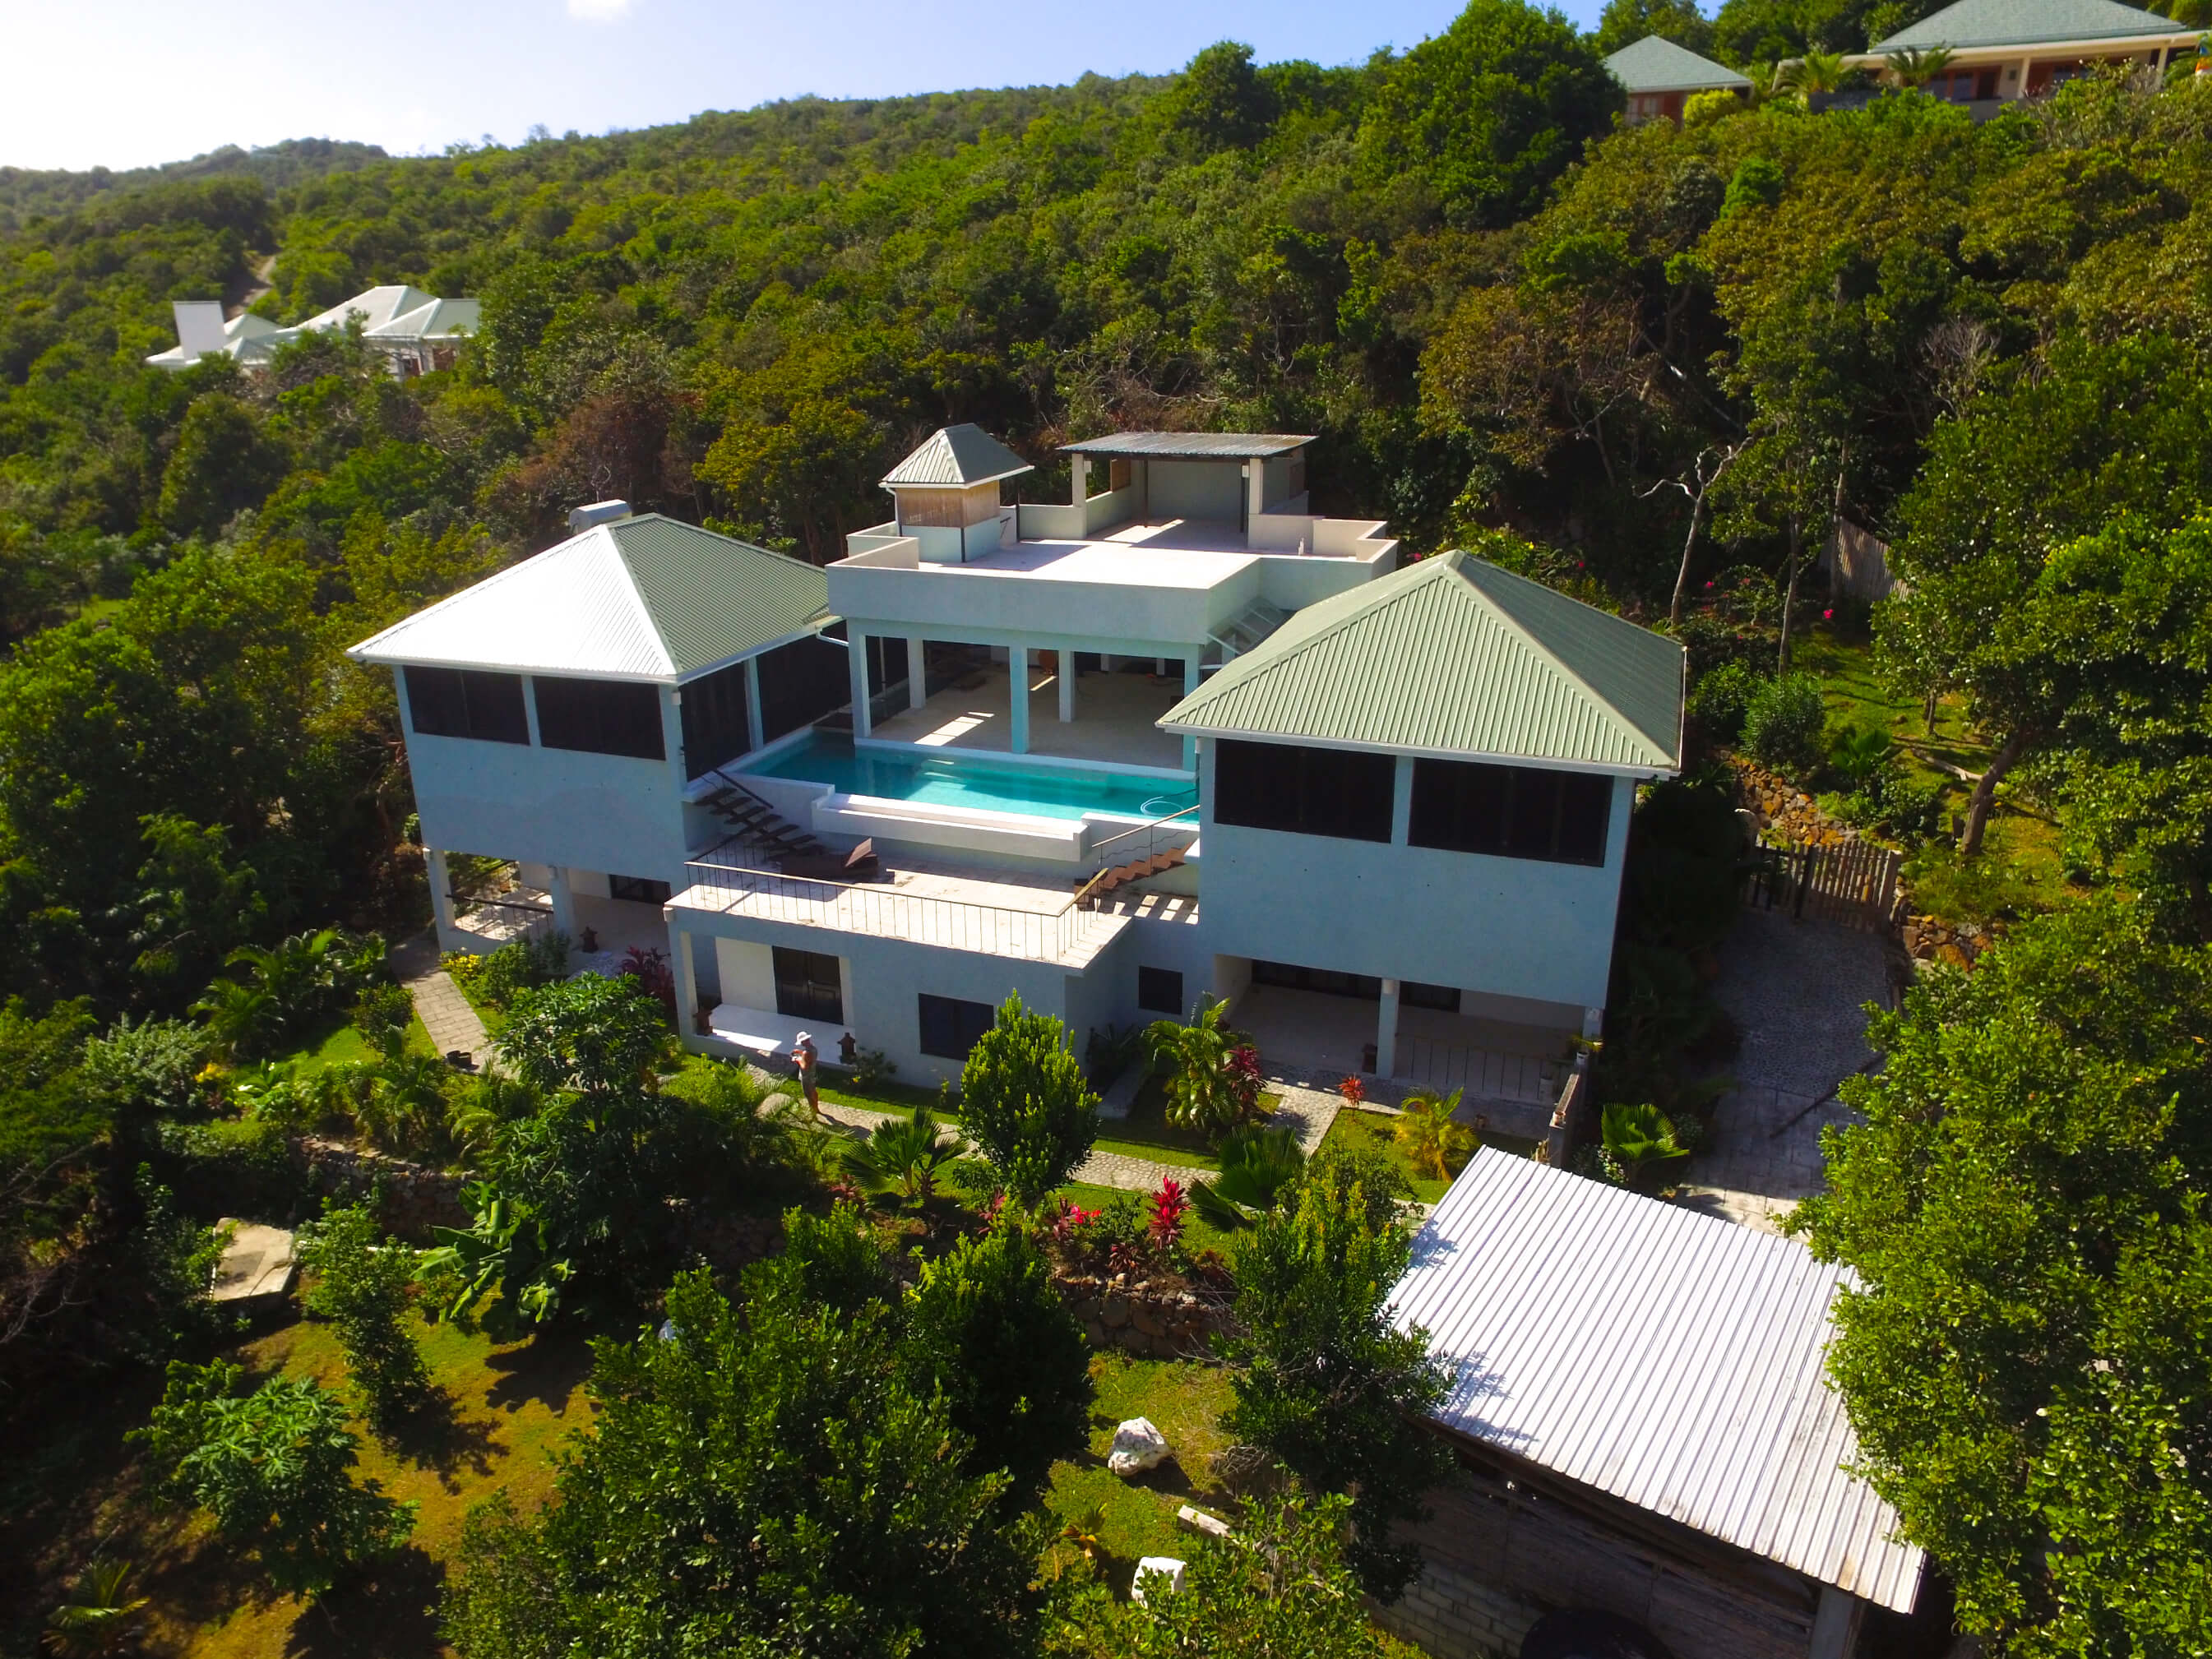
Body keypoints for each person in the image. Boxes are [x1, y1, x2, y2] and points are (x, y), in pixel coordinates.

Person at [793, 1031, 821, 1120]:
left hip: (806, 1077)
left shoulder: (806, 1053)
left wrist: (797, 1059)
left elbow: (804, 1066)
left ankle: (813, 1114)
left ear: (803, 1042)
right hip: (813, 1074)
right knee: (814, 1091)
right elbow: (808, 1057)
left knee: (808, 1095)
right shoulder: (814, 1049)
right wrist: (800, 1053)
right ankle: (816, 1108)